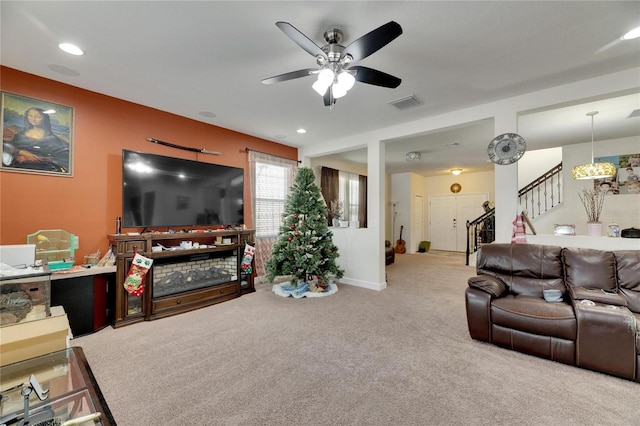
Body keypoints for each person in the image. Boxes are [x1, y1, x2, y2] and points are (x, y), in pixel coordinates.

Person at [2, 107, 70, 172]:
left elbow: (62, 157)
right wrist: (20, 152)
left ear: (44, 119)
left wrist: (34, 158)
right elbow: (8, 149)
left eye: (38, 117)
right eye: (30, 116)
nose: (33, 119)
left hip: (45, 169)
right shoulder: (19, 134)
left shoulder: (52, 139)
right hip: (18, 168)